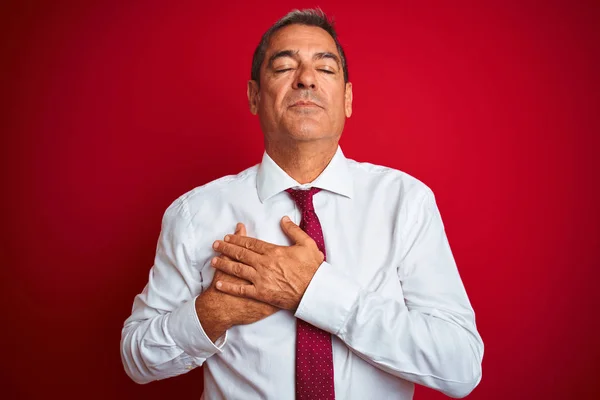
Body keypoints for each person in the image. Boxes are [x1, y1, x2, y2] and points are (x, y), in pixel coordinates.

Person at [120, 8, 484, 400]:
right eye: (283, 67)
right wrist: (211, 314)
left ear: (347, 98)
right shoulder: (194, 214)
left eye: (325, 70)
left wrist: (315, 290)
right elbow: (136, 358)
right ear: (254, 96)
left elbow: (459, 366)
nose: (306, 79)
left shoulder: (405, 203)